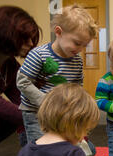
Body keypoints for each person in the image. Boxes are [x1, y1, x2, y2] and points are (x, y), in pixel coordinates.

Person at [17, 4, 97, 145]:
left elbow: (77, 86)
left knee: (73, 148)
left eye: (84, 46)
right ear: (59, 32)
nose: (80, 50)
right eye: (77, 43)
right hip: (36, 112)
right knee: (40, 148)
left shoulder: (77, 60)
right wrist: (46, 103)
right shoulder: (38, 54)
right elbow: (23, 82)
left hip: (62, 113)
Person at [0, 6, 40, 156]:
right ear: (7, 34)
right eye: (24, 38)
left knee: (11, 118)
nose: (30, 44)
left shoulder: (10, 64)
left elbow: (23, 98)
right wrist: (43, 118)